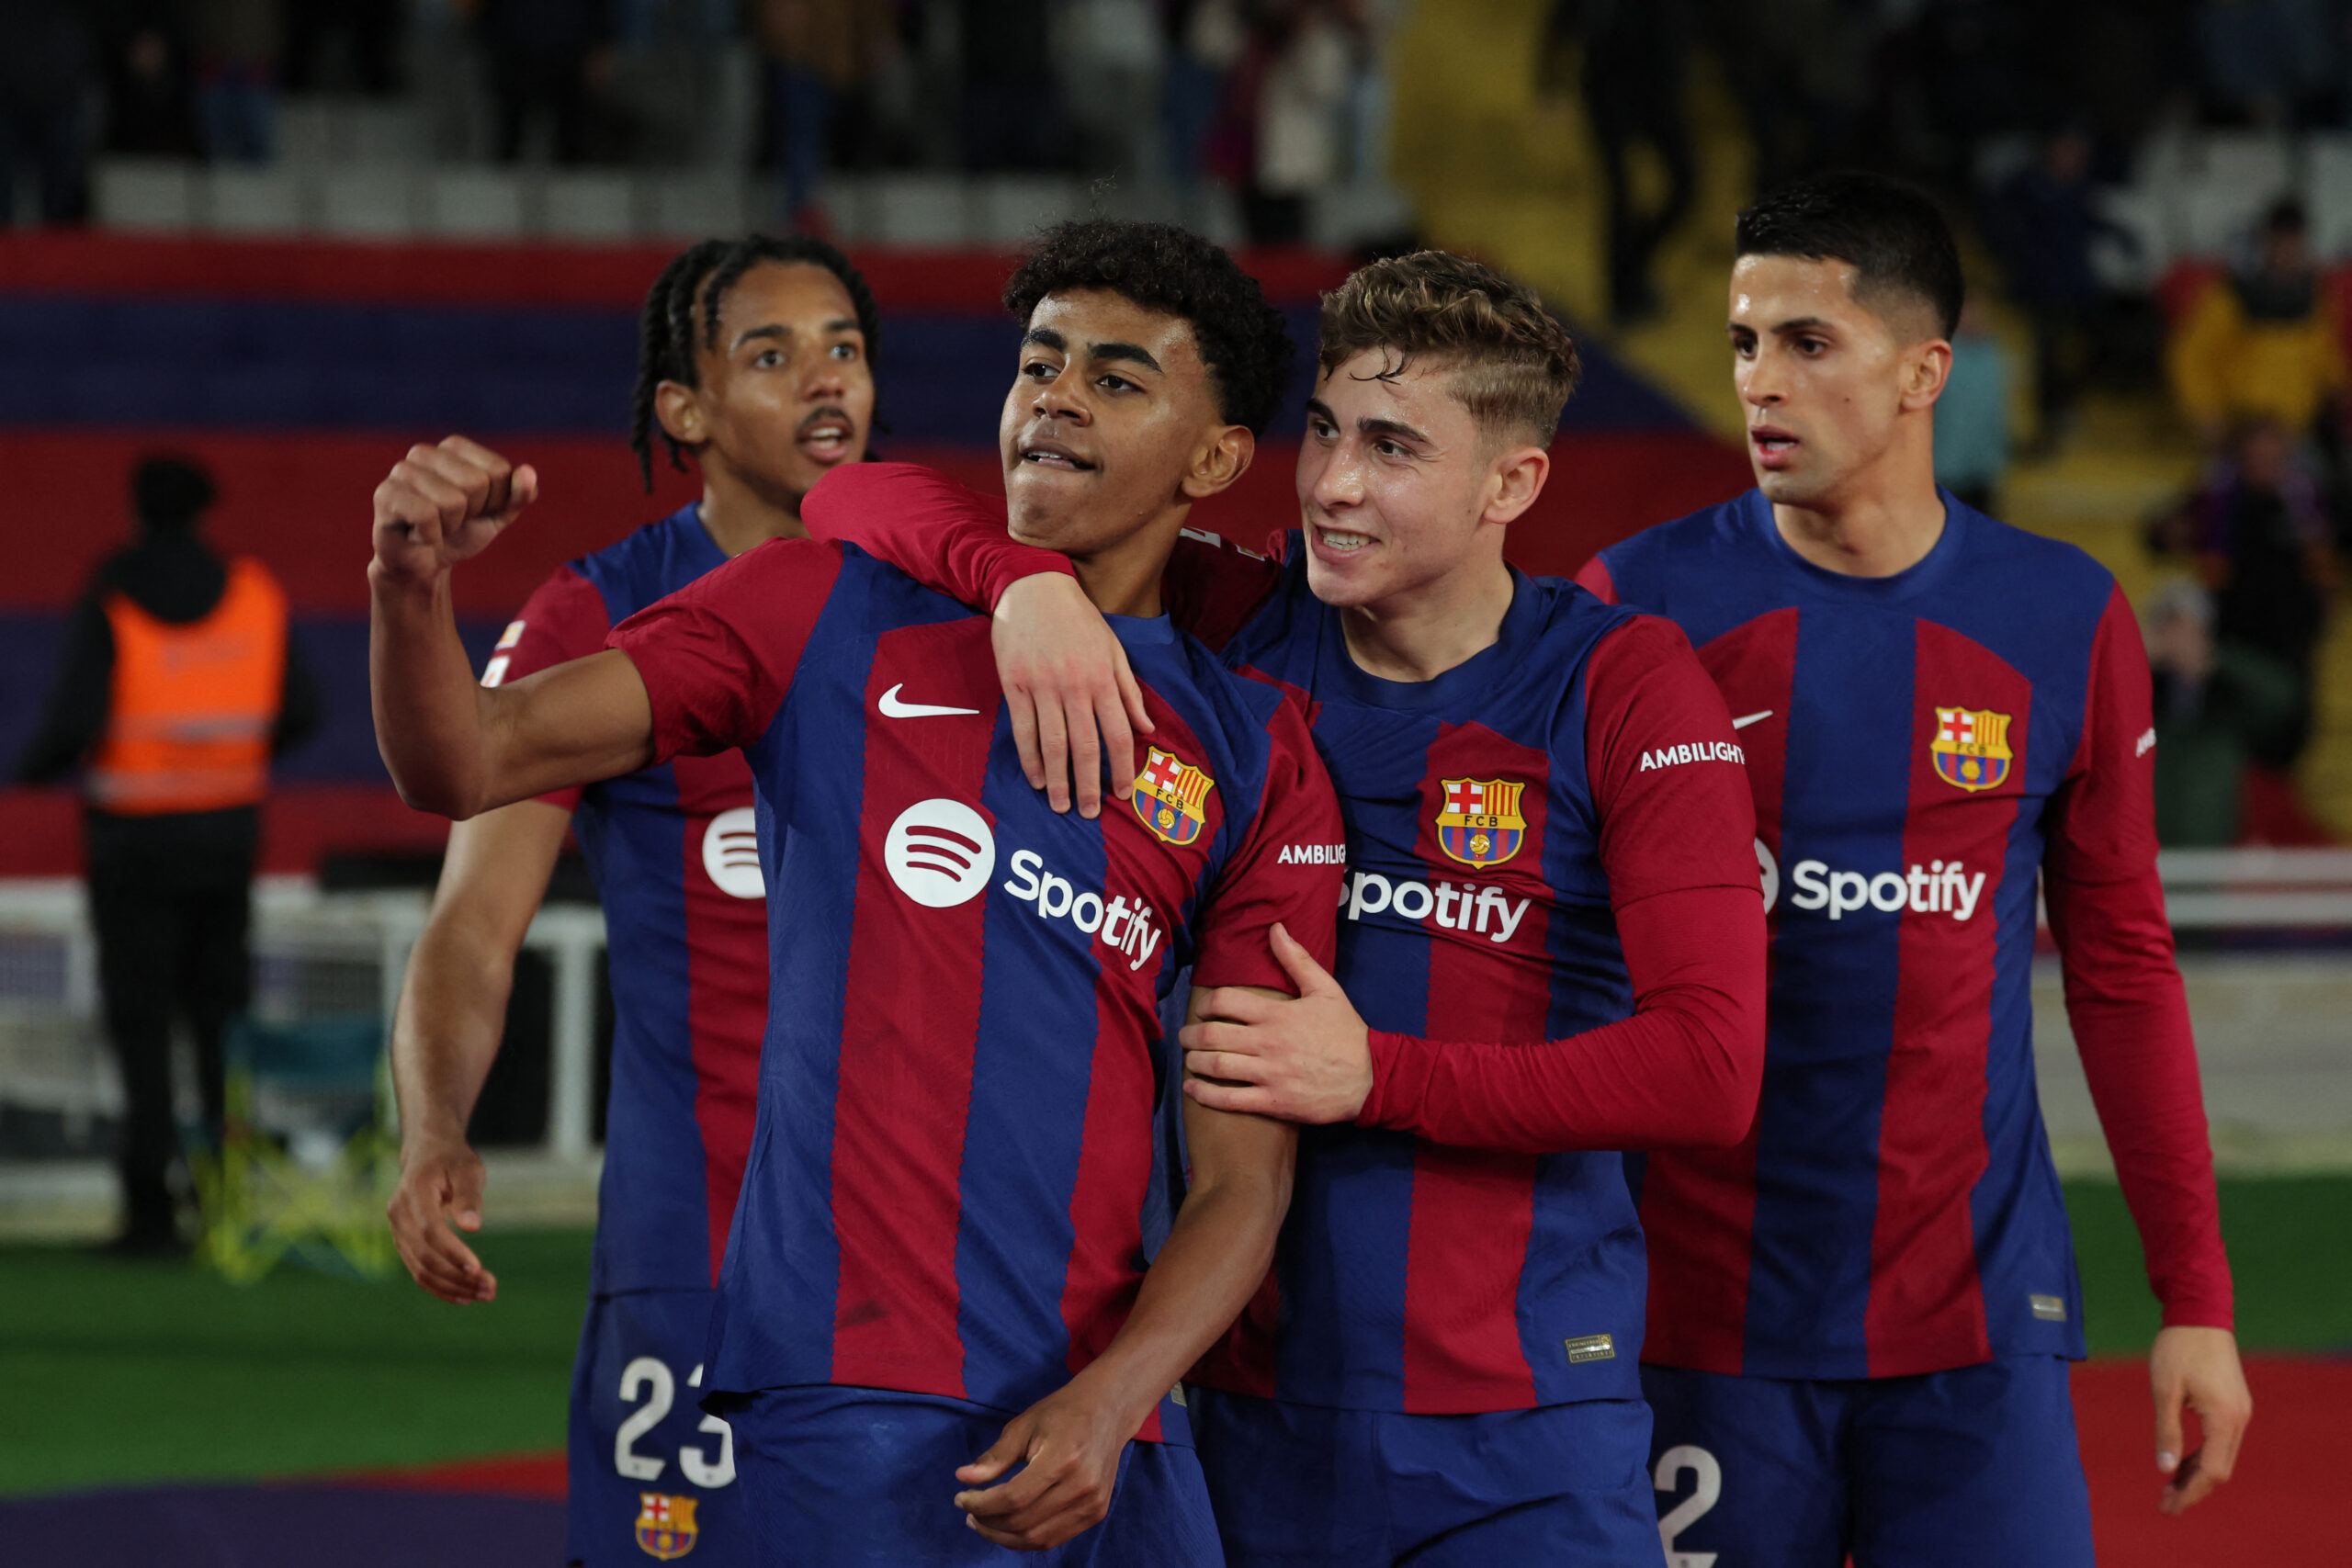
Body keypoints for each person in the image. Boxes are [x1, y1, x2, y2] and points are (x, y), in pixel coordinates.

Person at [368, 218, 1345, 1562]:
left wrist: (1118, 1397)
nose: (1057, 394)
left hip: (1115, 1416)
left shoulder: (1256, 741)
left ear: (1221, 455)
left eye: (1117, 379)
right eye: (1039, 363)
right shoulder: (822, 608)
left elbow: (1245, 1174)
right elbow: (468, 760)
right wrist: (410, 589)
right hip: (843, 1382)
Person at [798, 248, 1770, 1564]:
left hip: (1527, 1420)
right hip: (1244, 1413)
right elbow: (854, 497)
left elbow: (1709, 1068)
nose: (1332, 484)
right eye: (1322, 430)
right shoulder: (1243, 619)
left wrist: (1376, 1073)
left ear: (1513, 483)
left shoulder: (1621, 684)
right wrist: (1017, 579)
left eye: (1390, 446)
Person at [1570, 171, 2252, 1563]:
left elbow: (2121, 969)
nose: (1763, 379)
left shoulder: (2063, 614)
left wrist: (2197, 1296)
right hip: (1701, 1317)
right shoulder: (1630, 604)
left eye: (1809, 343)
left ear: (1924, 372)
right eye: (1745, 342)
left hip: (1976, 1322)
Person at [383, 234, 880, 1568]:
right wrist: (434, 1122)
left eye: (844, 347)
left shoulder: (947, 605)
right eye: (770, 356)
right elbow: (473, 926)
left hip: (920, 1244)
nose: (825, 383)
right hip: (697, 1232)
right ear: (686, 407)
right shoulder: (598, 611)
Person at [16, 455, 319, 1254]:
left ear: (137, 506)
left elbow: (75, 717)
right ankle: (224, 1197)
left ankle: (150, 1210)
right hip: (227, 836)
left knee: (142, 1028)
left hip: (134, 842)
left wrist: (26, 770)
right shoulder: (253, 590)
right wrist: (233, 760)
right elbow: (303, 707)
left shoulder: (113, 591)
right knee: (222, 1023)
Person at [2167, 198, 2348, 455]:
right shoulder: (2231, 297)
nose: (2286, 252)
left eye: (2293, 243)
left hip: (2294, 434)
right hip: (2240, 433)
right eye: (2279, 242)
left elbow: (2325, 356)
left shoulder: (2316, 300)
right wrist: (2205, 411)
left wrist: (2340, 390)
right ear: (2265, 241)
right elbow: (2191, 356)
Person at [2143, 581, 2303, 846]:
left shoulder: (2228, 701)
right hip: (2142, 852)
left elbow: (2284, 699)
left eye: (2192, 630)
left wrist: (2218, 661)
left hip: (2210, 853)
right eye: (2170, 629)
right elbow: (2083, 713)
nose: (2179, 641)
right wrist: (2132, 659)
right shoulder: (2138, 693)